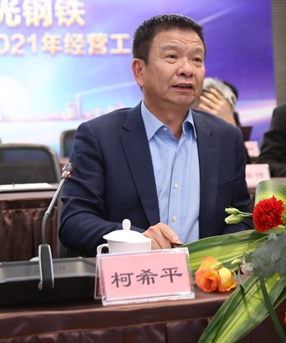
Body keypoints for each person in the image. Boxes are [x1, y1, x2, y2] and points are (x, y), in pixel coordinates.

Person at [59, 14, 252, 256]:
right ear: (139, 71)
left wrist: (214, 261)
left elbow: (242, 219)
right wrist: (136, 241)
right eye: (172, 57)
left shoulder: (226, 137)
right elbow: (74, 222)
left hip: (207, 277)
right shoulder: (99, 137)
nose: (187, 70)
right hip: (133, 274)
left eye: (197, 59)